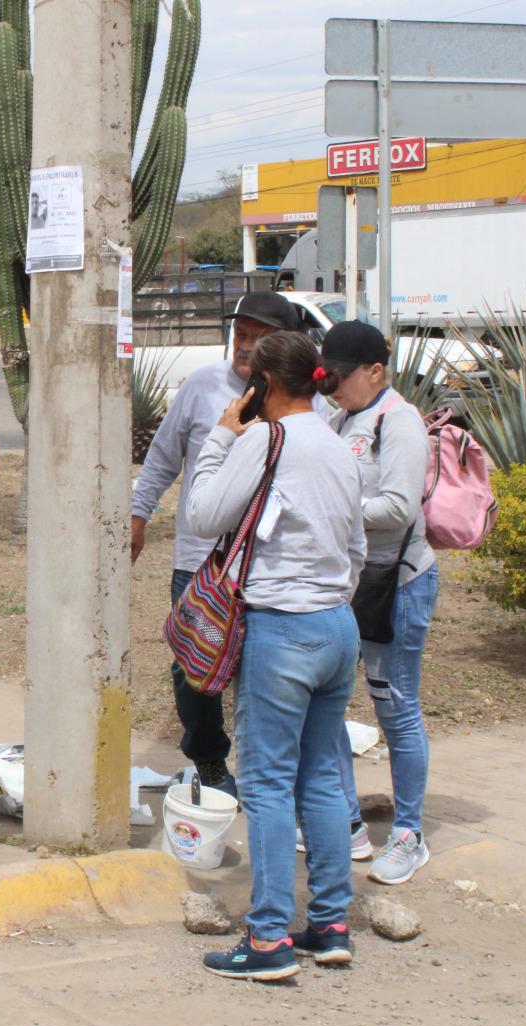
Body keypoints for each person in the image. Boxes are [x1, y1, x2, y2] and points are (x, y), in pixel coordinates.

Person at [184, 330, 366, 982]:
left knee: (264, 785)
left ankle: (266, 941)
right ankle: (331, 925)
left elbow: (203, 514)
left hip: (281, 630)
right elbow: (357, 550)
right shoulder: (339, 446)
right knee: (320, 777)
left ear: (263, 385)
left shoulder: (264, 439)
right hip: (335, 628)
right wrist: (328, 599)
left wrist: (221, 437)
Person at [130, 291, 302, 798]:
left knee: (261, 673)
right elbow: (162, 458)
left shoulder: (294, 404)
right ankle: (208, 760)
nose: (244, 347)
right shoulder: (204, 386)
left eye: (258, 337)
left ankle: (262, 773)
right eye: (240, 335)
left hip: (268, 566)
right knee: (194, 668)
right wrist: (139, 515)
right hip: (198, 563)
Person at [323, 321, 438, 886]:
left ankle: (408, 834)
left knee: (396, 709)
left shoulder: (402, 422)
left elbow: (396, 506)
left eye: (342, 377)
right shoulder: (340, 416)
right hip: (350, 583)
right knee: (331, 705)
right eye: (328, 377)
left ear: (375, 371)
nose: (333, 386)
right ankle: (346, 825)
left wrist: (330, 507)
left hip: (398, 584)